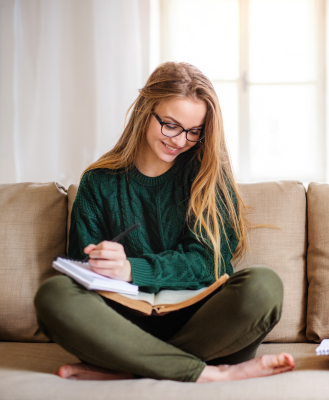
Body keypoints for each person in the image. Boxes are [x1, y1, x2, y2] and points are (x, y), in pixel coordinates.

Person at [34, 62, 295, 383]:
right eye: (170, 125)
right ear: (146, 110)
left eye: (193, 131)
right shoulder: (98, 182)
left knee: (264, 285)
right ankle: (206, 373)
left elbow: (209, 263)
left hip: (198, 321)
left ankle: (129, 368)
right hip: (120, 324)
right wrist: (99, 265)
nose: (180, 140)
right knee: (54, 294)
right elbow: (79, 275)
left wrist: (132, 269)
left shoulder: (209, 176)